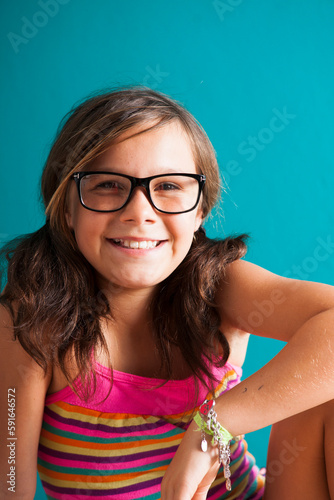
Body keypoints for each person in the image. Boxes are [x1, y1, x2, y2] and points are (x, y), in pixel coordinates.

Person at [0, 87, 333, 500]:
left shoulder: (220, 285)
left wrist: (214, 424)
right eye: (107, 184)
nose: (139, 212)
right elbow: (9, 481)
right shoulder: (30, 322)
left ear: (200, 211)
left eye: (170, 186)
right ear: (67, 206)